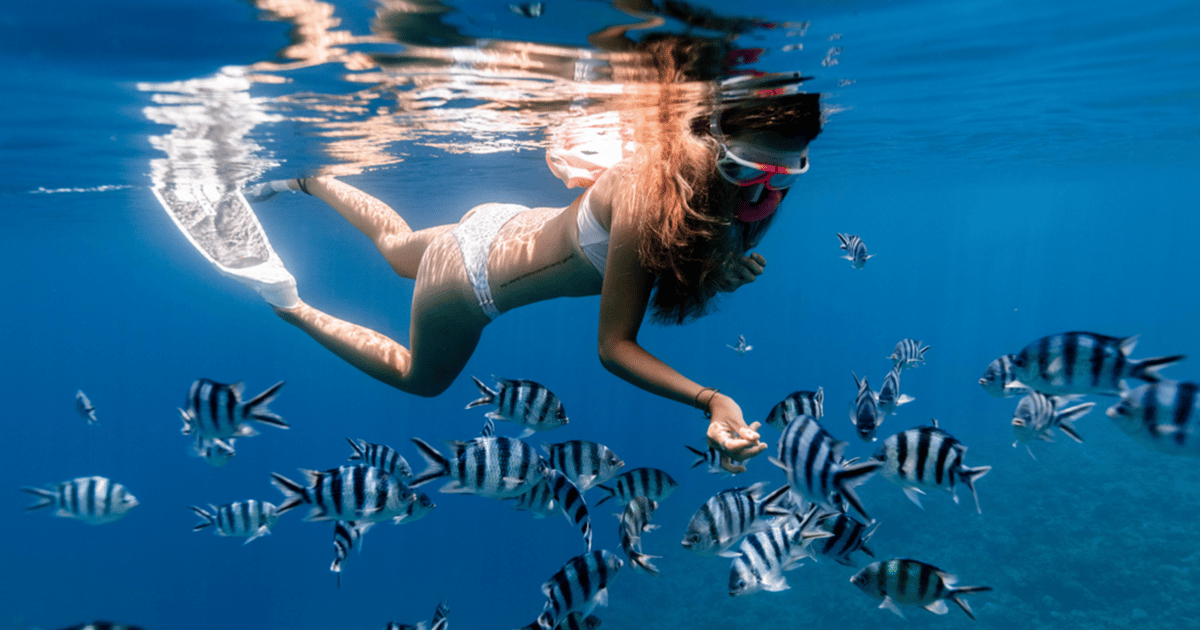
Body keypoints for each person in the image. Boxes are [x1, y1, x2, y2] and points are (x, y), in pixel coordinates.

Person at [243, 55, 821, 473]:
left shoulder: (706, 187)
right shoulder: (652, 190)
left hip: (500, 225)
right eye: (746, 171)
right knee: (419, 380)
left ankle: (312, 179)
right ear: (712, 141)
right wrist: (711, 399)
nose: (758, 194)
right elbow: (613, 348)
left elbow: (669, 248)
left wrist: (715, 267)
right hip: (467, 282)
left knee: (398, 251)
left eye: (782, 175)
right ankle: (288, 303)